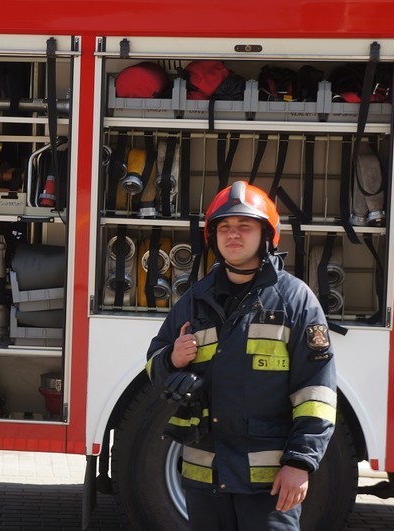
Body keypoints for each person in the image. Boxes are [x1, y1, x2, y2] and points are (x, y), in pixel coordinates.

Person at [145, 181, 337, 530]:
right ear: (213, 237)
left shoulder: (295, 301)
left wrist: (301, 463)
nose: (232, 235)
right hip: (205, 483)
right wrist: (171, 360)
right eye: (224, 227)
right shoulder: (195, 299)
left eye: (244, 226)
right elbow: (153, 367)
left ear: (266, 234)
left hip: (269, 485)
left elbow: (316, 392)